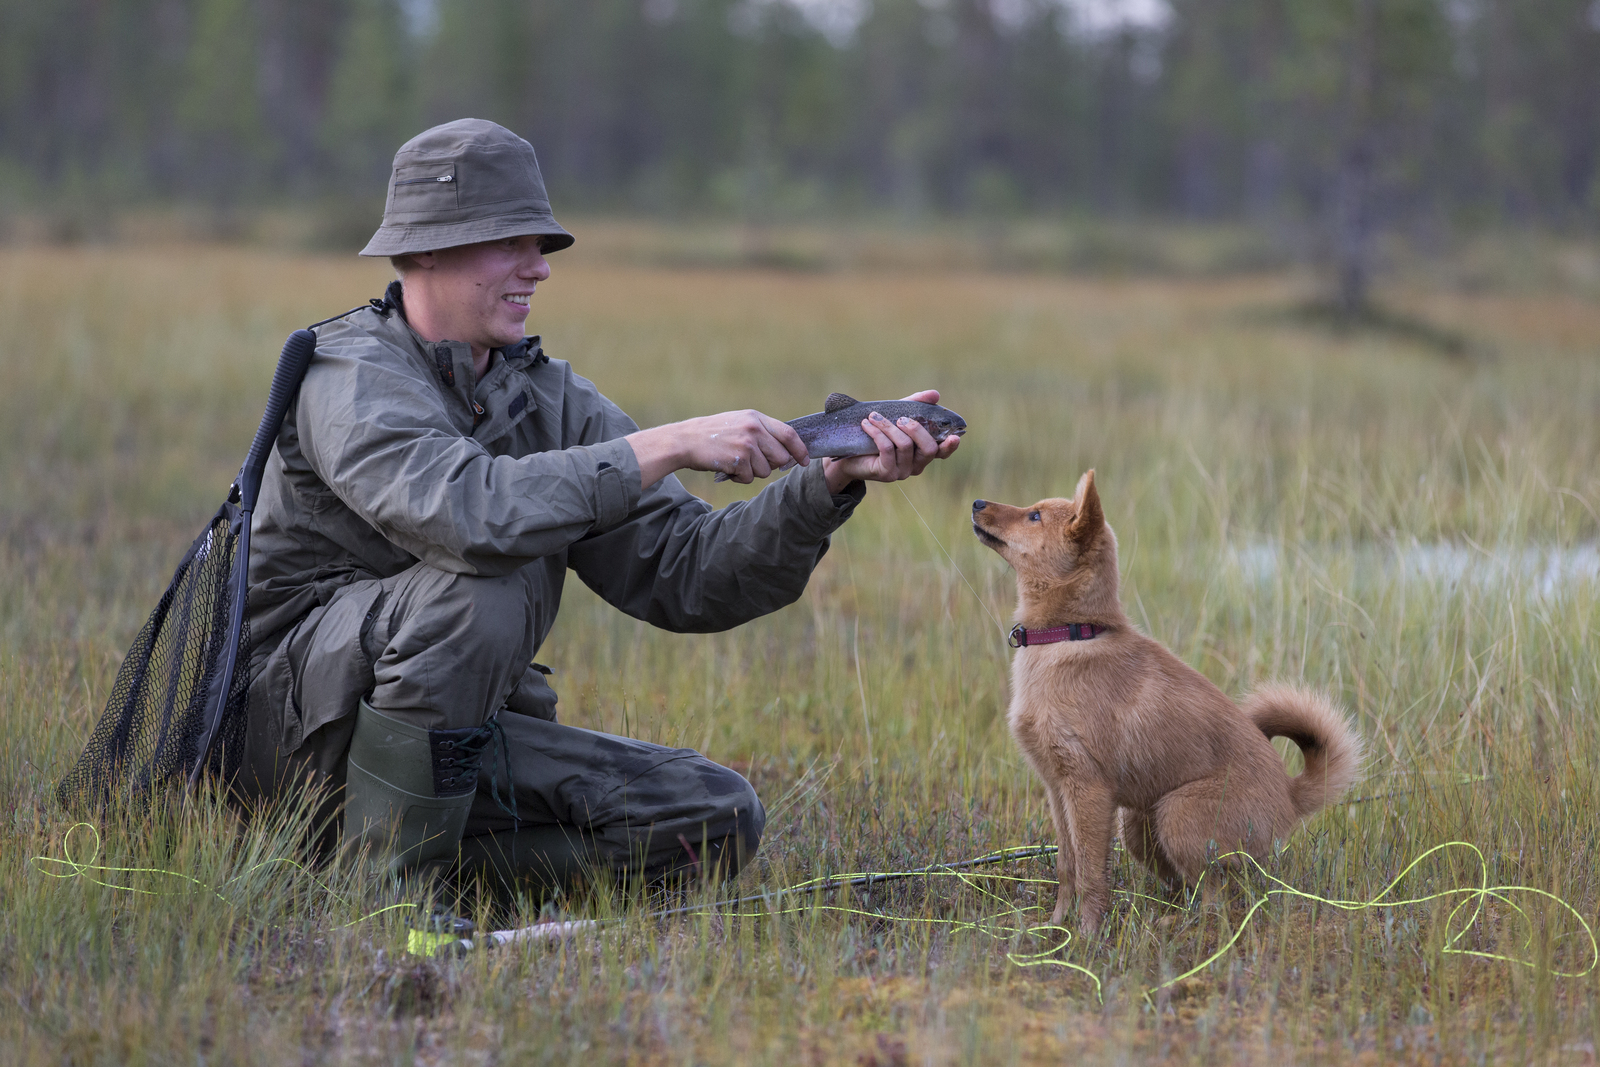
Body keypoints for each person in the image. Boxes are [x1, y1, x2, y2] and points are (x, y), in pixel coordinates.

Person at [239, 118, 959, 898]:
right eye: (507, 241)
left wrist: (826, 484)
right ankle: (381, 903)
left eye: (541, 244)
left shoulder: (545, 397)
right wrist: (670, 443)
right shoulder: (347, 375)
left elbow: (690, 572)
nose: (537, 268)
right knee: (479, 585)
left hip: (456, 744)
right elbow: (468, 516)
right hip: (297, 741)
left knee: (713, 818)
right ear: (422, 250)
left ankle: (389, 873)